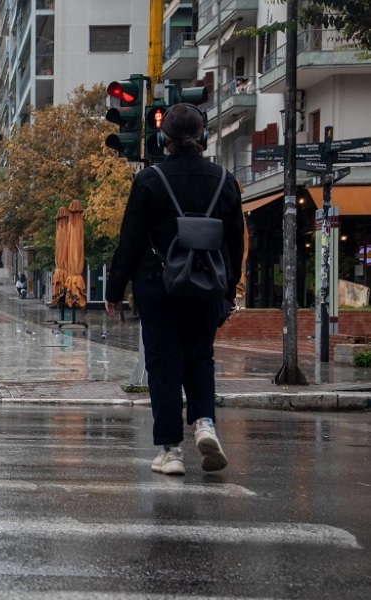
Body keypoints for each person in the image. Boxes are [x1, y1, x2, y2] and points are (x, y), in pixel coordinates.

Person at [104, 103, 244, 477]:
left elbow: (130, 240)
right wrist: (228, 292)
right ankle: (204, 424)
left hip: (158, 284)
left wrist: (114, 290)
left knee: (164, 365)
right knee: (200, 357)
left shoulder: (150, 180)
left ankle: (170, 452)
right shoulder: (225, 180)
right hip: (207, 288)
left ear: (163, 139)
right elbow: (235, 243)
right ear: (203, 135)